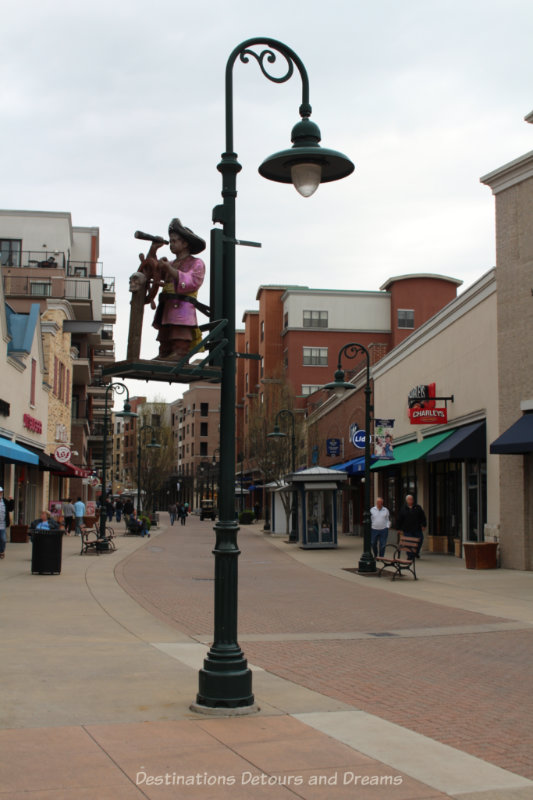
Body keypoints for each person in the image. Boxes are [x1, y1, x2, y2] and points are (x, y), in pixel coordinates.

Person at [150, 218, 206, 361]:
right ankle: (164, 352)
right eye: (171, 240)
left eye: (175, 241)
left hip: (182, 307)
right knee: (165, 333)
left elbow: (192, 281)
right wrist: (153, 250)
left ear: (185, 243)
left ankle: (179, 353)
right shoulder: (171, 263)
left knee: (179, 331)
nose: (171, 244)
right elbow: (153, 271)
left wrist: (169, 269)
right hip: (167, 306)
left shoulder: (196, 263)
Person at [396, 494, 427, 559]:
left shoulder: (418, 507)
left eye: (411, 499)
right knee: (408, 543)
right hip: (407, 529)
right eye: (409, 499)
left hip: (417, 528)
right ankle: (410, 555)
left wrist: (424, 525)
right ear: (406, 500)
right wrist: (398, 528)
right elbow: (399, 519)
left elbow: (423, 516)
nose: (410, 500)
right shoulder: (403, 509)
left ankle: (415, 552)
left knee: (420, 540)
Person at [0, 487, 15, 560]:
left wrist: (11, 500)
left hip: (2, 525)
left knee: (3, 539)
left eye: (1, 493)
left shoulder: (4, 501)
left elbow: (11, 508)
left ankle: (2, 551)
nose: (0, 494)